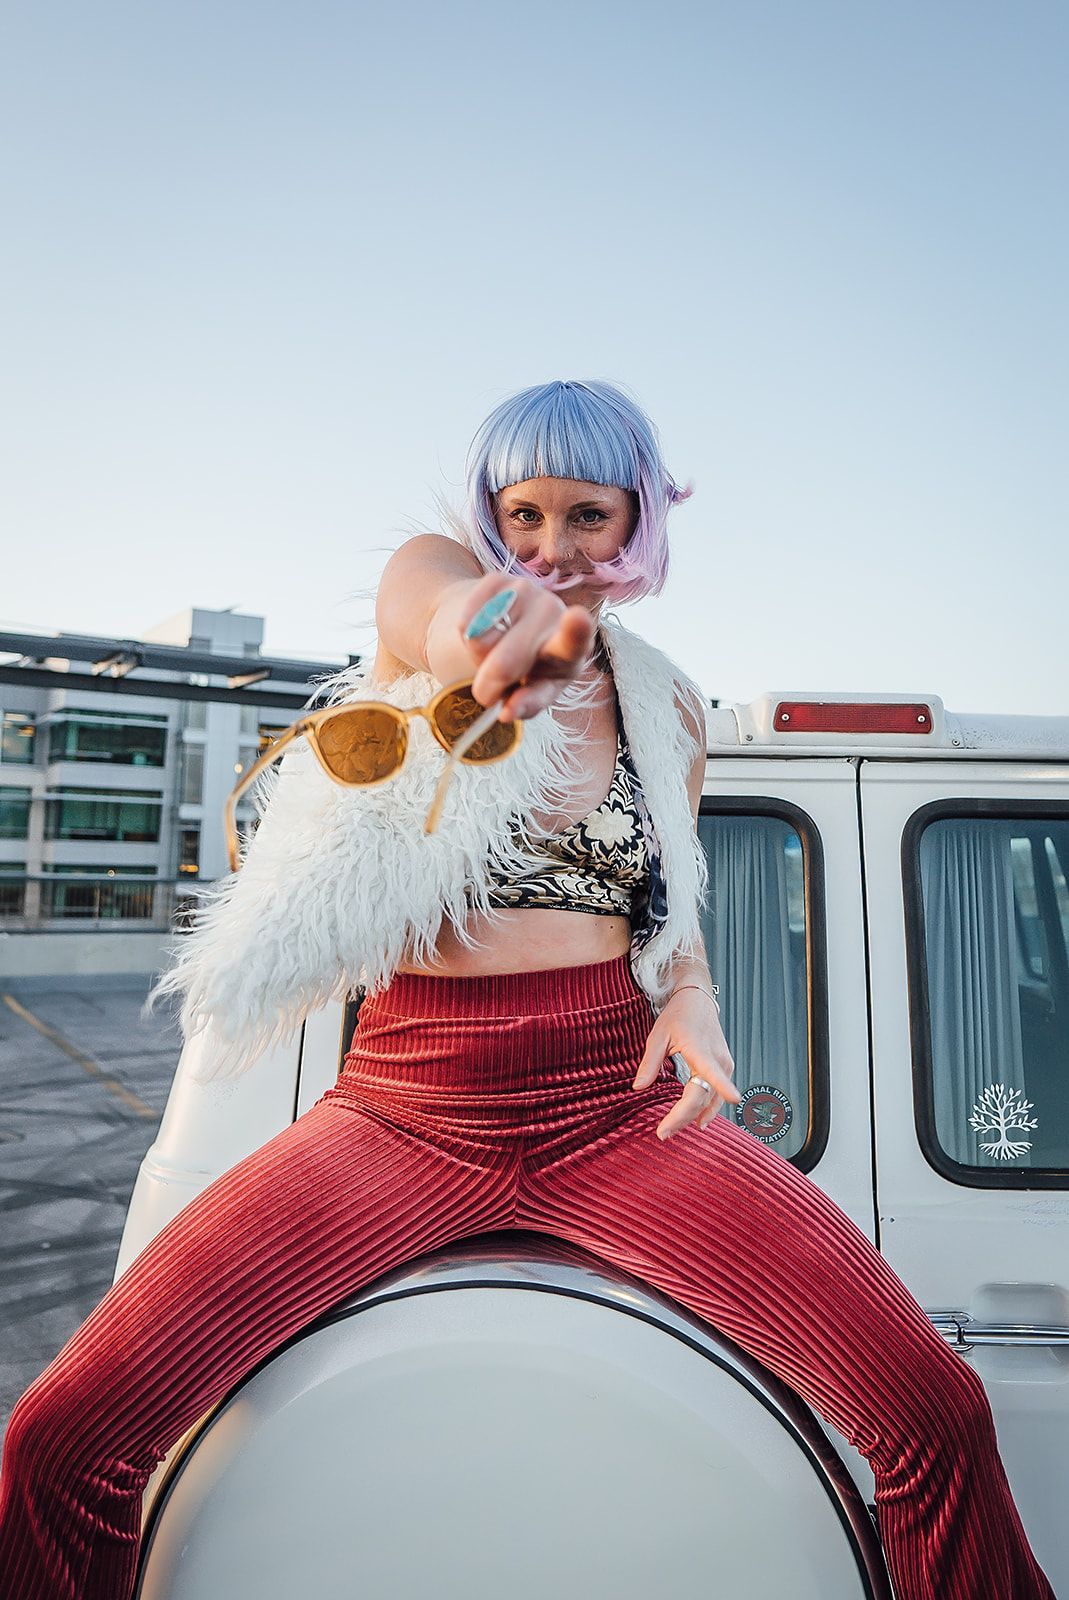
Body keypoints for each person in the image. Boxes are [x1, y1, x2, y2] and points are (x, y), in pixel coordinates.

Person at [0, 379, 1055, 1600]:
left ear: (638, 526)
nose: (551, 546)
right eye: (525, 513)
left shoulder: (666, 704)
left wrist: (690, 991)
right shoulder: (439, 586)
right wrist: (492, 630)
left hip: (617, 1109)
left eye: (588, 518)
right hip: (406, 1106)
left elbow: (665, 892)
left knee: (935, 1412)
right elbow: (442, 607)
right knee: (60, 1440)